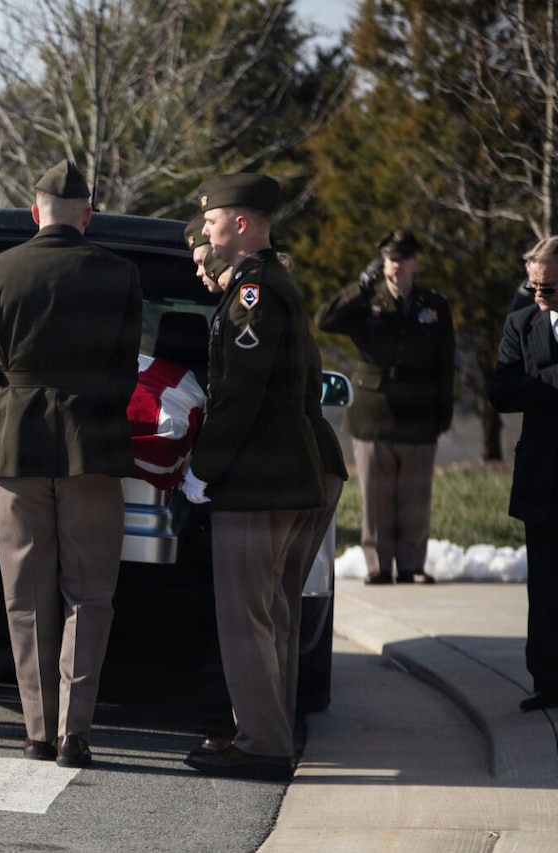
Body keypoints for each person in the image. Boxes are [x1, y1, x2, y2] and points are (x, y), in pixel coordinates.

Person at [0, 160, 143, 768]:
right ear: (87, 215)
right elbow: (127, 372)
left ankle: (38, 731)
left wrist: (20, 398)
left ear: (34, 210)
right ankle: (75, 732)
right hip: (92, 445)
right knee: (89, 595)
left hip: (18, 444)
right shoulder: (121, 274)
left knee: (26, 595)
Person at [181, 173, 325, 781]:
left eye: (213, 220)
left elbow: (239, 391)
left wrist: (202, 467)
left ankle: (262, 744)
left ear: (241, 224)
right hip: (280, 473)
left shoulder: (253, 292)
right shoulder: (261, 284)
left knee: (246, 617)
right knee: (269, 614)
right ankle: (264, 732)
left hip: (257, 475)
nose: (207, 229)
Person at [316, 229, 455, 584]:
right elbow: (324, 320)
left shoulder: (434, 305)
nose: (398, 267)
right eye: (392, 261)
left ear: (415, 263)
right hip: (373, 411)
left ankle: (411, 566)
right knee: (375, 498)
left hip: (419, 410)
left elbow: (445, 361)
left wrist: (443, 413)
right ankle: (377, 566)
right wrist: (359, 287)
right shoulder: (367, 300)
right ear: (383, 264)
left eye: (404, 260)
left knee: (415, 497)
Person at [489, 236, 558, 712]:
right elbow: (503, 390)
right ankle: (547, 680)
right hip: (543, 474)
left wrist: (540, 384)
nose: (539, 295)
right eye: (535, 286)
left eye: (549, 287)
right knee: (546, 587)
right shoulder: (522, 323)